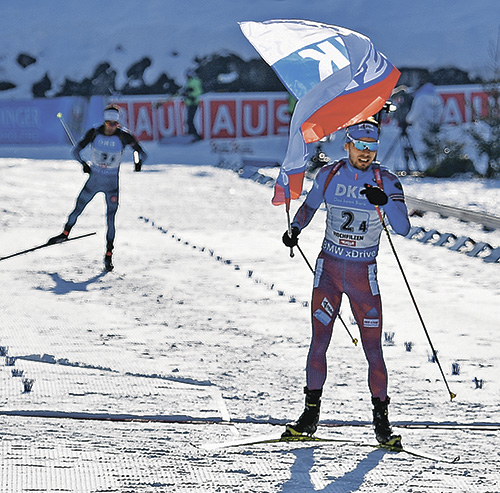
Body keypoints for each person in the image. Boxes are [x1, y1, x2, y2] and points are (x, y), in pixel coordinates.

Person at [281, 117, 410, 445]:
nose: (366, 153)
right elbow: (308, 208)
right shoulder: (330, 174)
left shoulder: (387, 181)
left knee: (373, 349)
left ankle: (382, 422)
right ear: (348, 144)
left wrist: (384, 203)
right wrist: (295, 228)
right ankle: (309, 416)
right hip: (328, 271)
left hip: (362, 276)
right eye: (360, 146)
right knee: (319, 341)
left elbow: (404, 227)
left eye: (372, 147)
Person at [48, 104, 147, 272]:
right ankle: (65, 234)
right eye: (109, 124)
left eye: (114, 124)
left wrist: (138, 162)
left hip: (111, 185)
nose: (111, 128)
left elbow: (141, 152)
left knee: (110, 219)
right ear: (104, 121)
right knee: (78, 207)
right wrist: (84, 165)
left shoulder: (123, 136)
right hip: (94, 180)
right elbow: (75, 151)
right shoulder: (94, 133)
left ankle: (108, 254)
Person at [182, 70, 203, 142]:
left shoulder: (195, 81)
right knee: (188, 120)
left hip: (193, 103)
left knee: (190, 120)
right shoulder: (189, 82)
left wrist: (191, 95)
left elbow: (198, 91)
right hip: (189, 103)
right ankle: (191, 134)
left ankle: (194, 135)